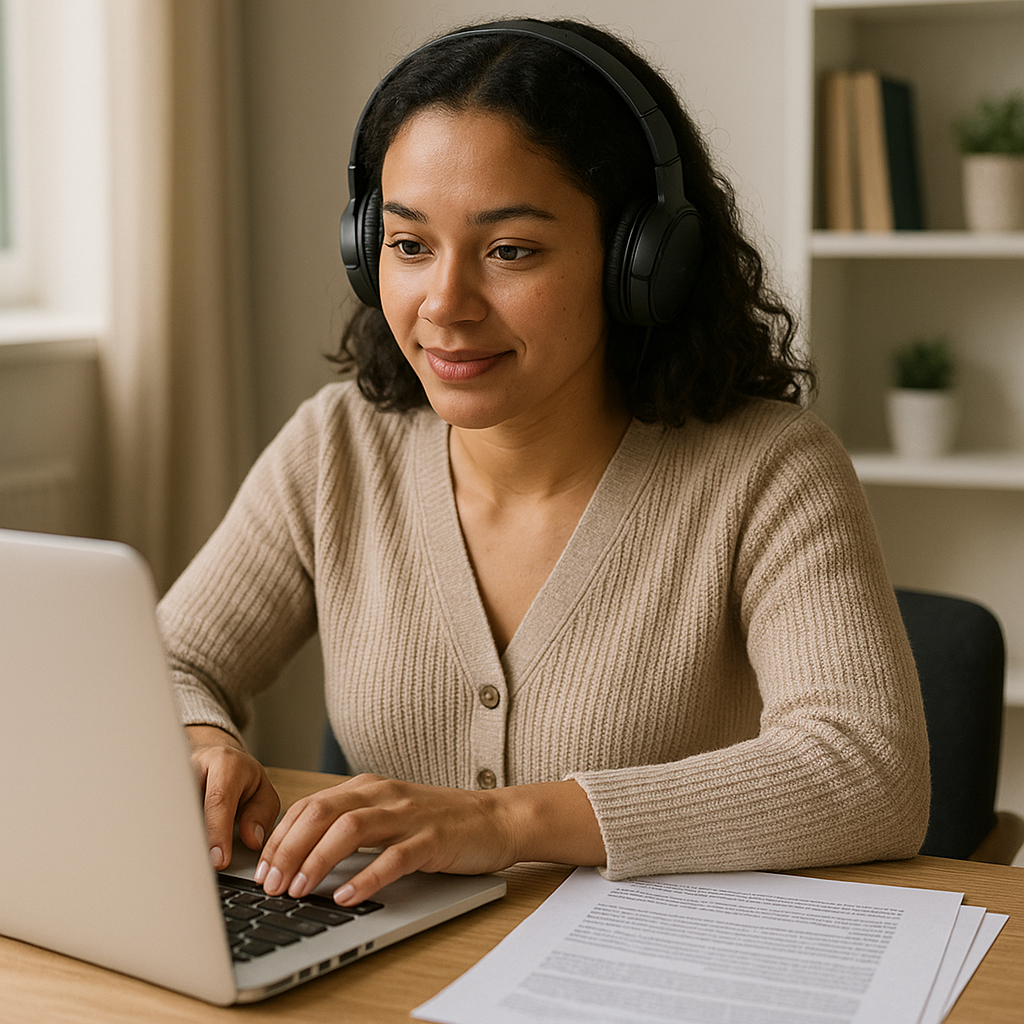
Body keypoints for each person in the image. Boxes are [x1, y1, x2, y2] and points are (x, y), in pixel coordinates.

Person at [158, 18, 930, 910]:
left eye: (509, 250)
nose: (445, 305)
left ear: (640, 262)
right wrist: (199, 737)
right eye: (409, 245)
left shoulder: (768, 469)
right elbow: (170, 660)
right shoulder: (337, 449)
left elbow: (869, 769)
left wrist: (506, 823)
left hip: (660, 977)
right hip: (390, 970)